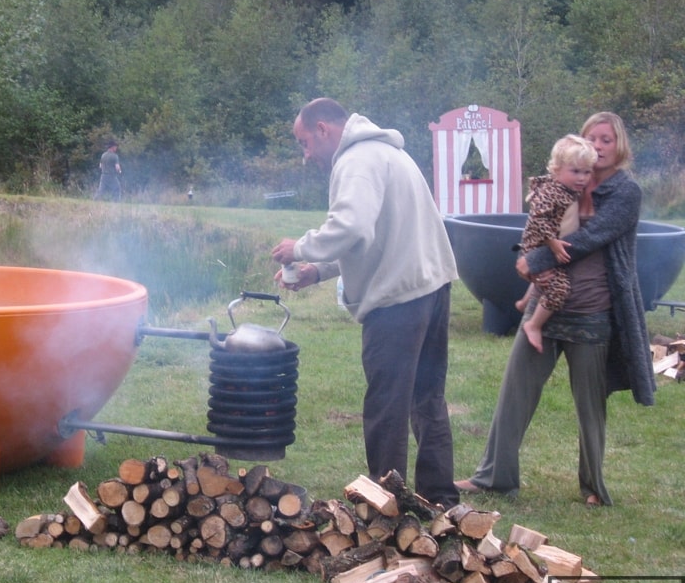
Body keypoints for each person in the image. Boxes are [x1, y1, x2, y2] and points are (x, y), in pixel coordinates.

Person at [455, 112, 655, 507]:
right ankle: (495, 477)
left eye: (606, 140)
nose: (598, 147)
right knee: (515, 391)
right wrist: (529, 251)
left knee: (590, 405)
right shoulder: (563, 182)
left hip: (592, 311)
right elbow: (538, 222)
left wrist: (536, 262)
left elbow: (592, 237)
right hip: (546, 307)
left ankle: (594, 486)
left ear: (620, 146)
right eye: (591, 138)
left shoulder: (624, 193)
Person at [272, 98, 460, 508]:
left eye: (304, 143)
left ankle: (385, 502)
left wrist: (300, 248)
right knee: (427, 398)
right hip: (432, 287)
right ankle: (441, 498)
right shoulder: (387, 152)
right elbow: (375, 236)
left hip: (398, 301)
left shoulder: (356, 160)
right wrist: (318, 272)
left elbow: (352, 226)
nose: (306, 156)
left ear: (323, 129)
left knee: (386, 405)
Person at [517, 135, 597, 353]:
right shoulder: (553, 191)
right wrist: (552, 243)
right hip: (541, 247)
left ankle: (525, 302)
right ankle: (534, 324)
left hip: (550, 246)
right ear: (557, 169)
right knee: (560, 287)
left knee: (548, 277)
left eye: (587, 172)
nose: (582, 178)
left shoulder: (568, 189)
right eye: (575, 171)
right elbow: (538, 217)